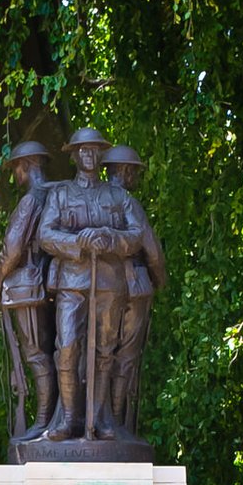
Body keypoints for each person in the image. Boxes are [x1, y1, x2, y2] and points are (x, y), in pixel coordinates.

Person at [36, 128, 145, 440]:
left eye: (94, 150)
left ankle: (99, 419)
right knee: (67, 347)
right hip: (72, 282)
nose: (88, 155)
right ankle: (68, 418)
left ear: (100, 156)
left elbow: (136, 233)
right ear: (74, 155)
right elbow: (46, 235)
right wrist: (77, 243)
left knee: (105, 350)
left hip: (110, 283)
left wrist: (111, 239)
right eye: (82, 150)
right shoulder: (61, 195)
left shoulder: (117, 196)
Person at [0, 140, 57, 441]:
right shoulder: (55, 196)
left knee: (35, 354)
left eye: (16, 167)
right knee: (45, 352)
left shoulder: (31, 200)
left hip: (27, 286)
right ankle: (50, 416)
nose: (15, 174)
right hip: (47, 284)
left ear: (27, 165)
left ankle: (44, 419)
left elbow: (14, 248)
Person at [100, 144, 163, 439]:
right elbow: (151, 249)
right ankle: (115, 422)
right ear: (124, 171)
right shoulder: (128, 202)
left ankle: (102, 417)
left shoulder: (94, 202)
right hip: (134, 287)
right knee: (125, 354)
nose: (135, 177)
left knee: (101, 353)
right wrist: (159, 279)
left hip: (99, 289)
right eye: (134, 171)